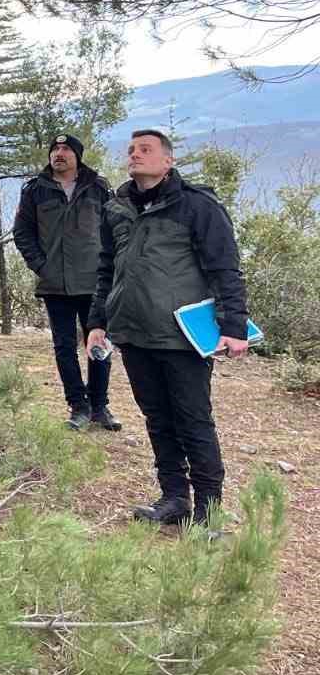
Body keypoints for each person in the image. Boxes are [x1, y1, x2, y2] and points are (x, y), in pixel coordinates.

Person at [87, 129, 249, 528]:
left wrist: (235, 325)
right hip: (134, 334)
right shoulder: (117, 208)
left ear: (168, 160)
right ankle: (174, 498)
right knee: (157, 419)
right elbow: (107, 269)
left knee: (194, 422)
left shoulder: (197, 206)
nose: (135, 155)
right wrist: (97, 322)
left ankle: (209, 515)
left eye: (146, 149)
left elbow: (224, 267)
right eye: (131, 150)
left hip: (182, 337)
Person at [12, 132, 120, 431]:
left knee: (98, 343)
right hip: (55, 282)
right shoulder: (36, 190)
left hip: (94, 281)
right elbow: (22, 232)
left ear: (77, 155)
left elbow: (113, 229)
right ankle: (78, 406)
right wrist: (41, 266)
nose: (59, 153)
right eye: (55, 149)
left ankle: (100, 406)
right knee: (63, 346)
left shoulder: (98, 187)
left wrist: (109, 270)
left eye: (65, 149)